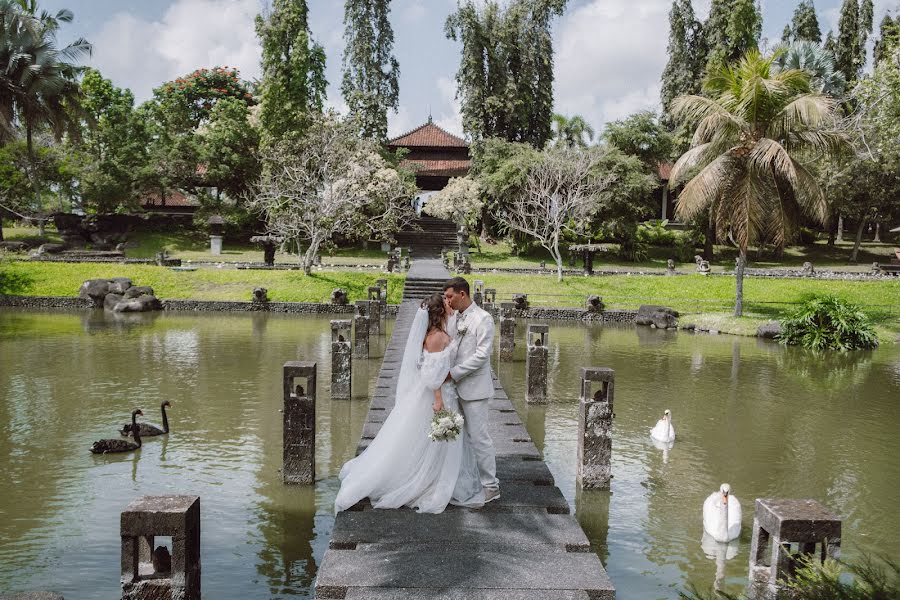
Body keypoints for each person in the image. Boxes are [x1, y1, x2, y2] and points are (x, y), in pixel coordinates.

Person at [334, 293, 484, 514]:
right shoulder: (438, 337)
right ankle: (428, 480)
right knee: (433, 441)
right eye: (446, 303)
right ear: (440, 311)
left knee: (434, 441)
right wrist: (439, 401)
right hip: (438, 396)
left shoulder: (437, 333)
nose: (450, 304)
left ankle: (437, 476)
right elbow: (433, 374)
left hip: (440, 393)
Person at [443, 276, 500, 504]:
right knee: (460, 439)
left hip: (475, 389)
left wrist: (453, 373)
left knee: (479, 438)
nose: (447, 300)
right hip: (454, 390)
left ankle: (490, 486)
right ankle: (468, 480)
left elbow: (481, 355)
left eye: (450, 296)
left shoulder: (483, 319)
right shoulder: (455, 317)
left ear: (462, 294)